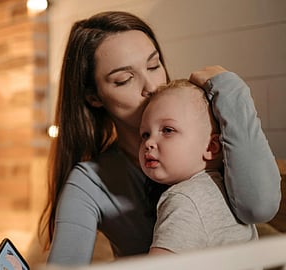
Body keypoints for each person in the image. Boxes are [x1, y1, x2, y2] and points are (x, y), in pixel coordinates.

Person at [36, 11, 281, 266]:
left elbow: (260, 207)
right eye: (124, 79)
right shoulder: (89, 183)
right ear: (94, 97)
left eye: (154, 65)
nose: (151, 86)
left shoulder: (203, 134)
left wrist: (231, 89)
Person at [138, 79, 258, 255]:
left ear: (211, 147)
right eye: (145, 134)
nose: (148, 142)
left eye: (168, 130)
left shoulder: (183, 199)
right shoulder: (229, 188)